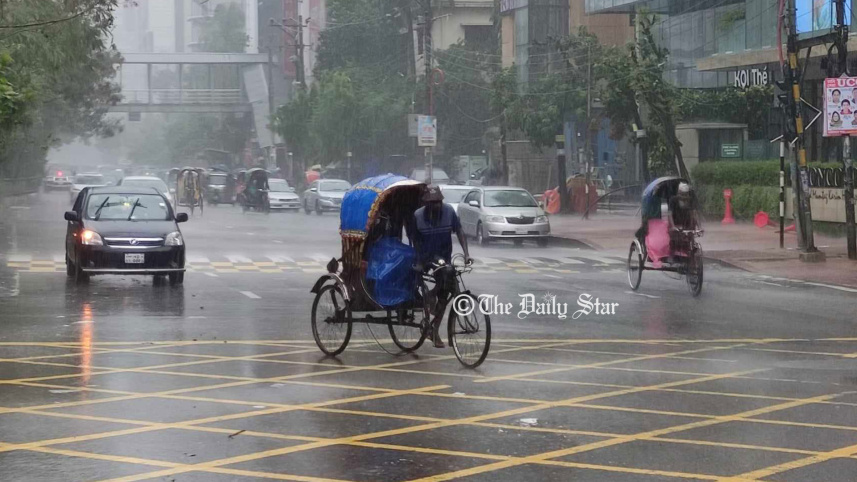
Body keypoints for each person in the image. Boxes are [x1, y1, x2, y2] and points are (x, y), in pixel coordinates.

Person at [411, 186, 470, 348]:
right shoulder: (418, 216)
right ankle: (431, 295)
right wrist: (420, 260)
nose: (436, 205)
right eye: (432, 202)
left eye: (438, 202)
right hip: (427, 256)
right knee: (446, 278)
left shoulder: (449, 212)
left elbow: (459, 232)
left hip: (445, 258)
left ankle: (434, 329)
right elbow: (415, 241)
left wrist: (466, 254)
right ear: (426, 203)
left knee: (445, 295)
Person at [667, 182, 700, 261]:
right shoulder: (673, 200)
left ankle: (690, 251)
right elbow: (670, 214)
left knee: (690, 236)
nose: (684, 197)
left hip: (687, 222)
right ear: (678, 193)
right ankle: (671, 254)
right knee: (674, 238)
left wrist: (698, 226)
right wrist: (673, 226)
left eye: (686, 194)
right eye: (682, 194)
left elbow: (694, 213)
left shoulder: (690, 200)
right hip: (675, 222)